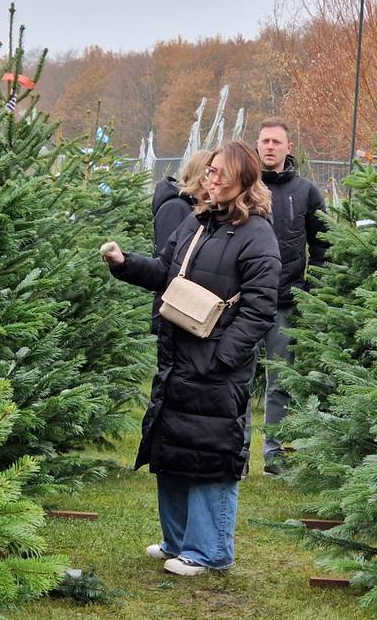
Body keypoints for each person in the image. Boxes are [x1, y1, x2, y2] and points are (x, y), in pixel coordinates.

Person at [102, 142, 280, 575]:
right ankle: (176, 541)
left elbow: (259, 309)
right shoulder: (198, 222)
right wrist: (124, 263)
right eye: (210, 171)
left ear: (244, 181)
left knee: (210, 455)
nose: (211, 178)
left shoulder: (258, 235)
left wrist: (222, 358)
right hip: (179, 358)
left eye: (221, 173)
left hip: (216, 368)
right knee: (175, 449)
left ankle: (209, 551)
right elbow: (166, 271)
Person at [249, 117, 328, 475]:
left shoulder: (306, 192)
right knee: (237, 380)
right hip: (244, 303)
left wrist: (310, 290)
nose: (269, 147)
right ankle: (237, 456)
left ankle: (274, 456)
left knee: (280, 383)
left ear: (288, 147)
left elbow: (324, 245)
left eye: (276, 142)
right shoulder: (244, 187)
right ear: (257, 145)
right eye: (264, 141)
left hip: (286, 302)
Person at [148, 152, 211, 330]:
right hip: (175, 307)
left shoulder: (196, 208)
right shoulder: (175, 207)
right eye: (212, 173)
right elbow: (169, 262)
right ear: (201, 176)